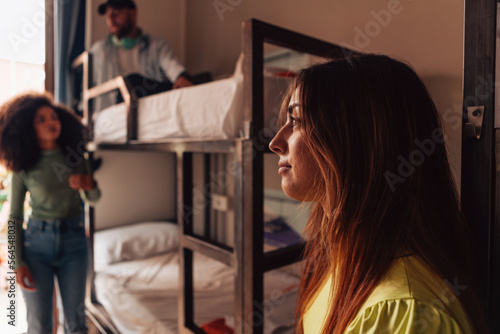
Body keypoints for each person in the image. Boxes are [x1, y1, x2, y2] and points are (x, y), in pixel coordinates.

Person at [269, 54, 489, 333]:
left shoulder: (404, 315)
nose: (276, 142)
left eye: (297, 120)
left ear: (360, 137)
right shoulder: (333, 262)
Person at [0, 92, 101, 333]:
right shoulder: (22, 167)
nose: (50, 122)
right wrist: (16, 261)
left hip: (74, 244)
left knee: (76, 324)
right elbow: (14, 217)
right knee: (39, 325)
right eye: (40, 119)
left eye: (53, 116)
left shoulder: (76, 157)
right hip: (36, 247)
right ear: (27, 128)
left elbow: (94, 200)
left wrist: (90, 185)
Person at [90, 0, 193, 109]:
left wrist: (181, 77)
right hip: (114, 111)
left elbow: (172, 65)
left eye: (116, 14)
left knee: (134, 82)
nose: (111, 20)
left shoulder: (156, 45)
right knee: (129, 82)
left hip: (149, 107)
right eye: (107, 16)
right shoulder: (98, 51)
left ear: (133, 14)